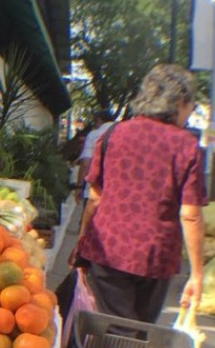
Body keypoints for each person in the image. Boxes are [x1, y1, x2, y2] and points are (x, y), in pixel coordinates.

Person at [77, 64, 207, 323]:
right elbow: (190, 215)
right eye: (190, 105)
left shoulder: (114, 134)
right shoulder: (186, 146)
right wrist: (197, 273)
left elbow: (95, 197)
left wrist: (82, 239)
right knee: (141, 330)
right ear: (180, 102)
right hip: (155, 257)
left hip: (108, 247)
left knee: (115, 328)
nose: (190, 111)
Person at [75, 110, 114, 203]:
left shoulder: (93, 135)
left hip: (94, 189)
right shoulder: (124, 134)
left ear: (99, 120)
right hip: (116, 190)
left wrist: (79, 186)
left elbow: (85, 164)